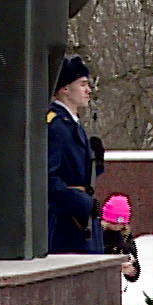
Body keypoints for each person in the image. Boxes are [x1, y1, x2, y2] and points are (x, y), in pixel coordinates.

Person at [47, 55, 104, 254]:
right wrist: (81, 202)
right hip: (65, 222)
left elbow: (81, 177)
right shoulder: (56, 125)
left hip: (80, 219)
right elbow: (47, 178)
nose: (88, 90)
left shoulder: (72, 124)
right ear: (64, 88)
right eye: (82, 84)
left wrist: (96, 162)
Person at [101, 194, 141, 282]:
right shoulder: (98, 234)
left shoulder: (125, 236)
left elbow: (135, 269)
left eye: (121, 224)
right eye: (113, 223)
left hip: (113, 283)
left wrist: (131, 271)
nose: (117, 227)